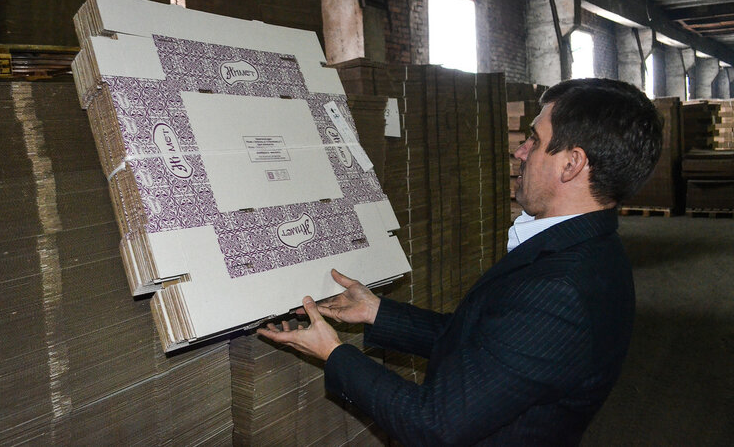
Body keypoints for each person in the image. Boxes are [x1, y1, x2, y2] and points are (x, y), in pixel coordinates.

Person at [257, 78, 663, 445]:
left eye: (535, 140)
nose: (520, 150)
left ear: (571, 163)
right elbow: (481, 344)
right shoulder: (588, 248)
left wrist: (334, 353)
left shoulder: (561, 289)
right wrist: (376, 312)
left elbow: (433, 424)